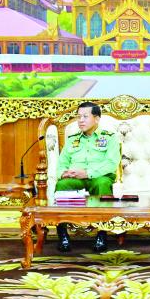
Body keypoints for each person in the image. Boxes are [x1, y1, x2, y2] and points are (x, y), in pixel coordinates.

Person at [55, 101, 121, 252]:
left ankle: (102, 233)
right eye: (78, 117)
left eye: (85, 116)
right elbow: (62, 163)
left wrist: (87, 173)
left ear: (96, 119)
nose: (81, 120)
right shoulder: (72, 139)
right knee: (62, 185)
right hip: (76, 179)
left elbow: (111, 163)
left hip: (99, 177)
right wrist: (64, 173)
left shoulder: (109, 137)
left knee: (102, 184)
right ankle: (63, 234)